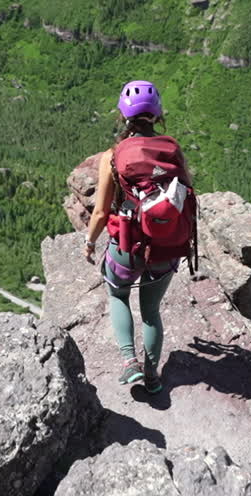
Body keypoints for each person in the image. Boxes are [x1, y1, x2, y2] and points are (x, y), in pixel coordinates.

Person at [83, 79, 193, 393]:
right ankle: (153, 376)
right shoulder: (172, 149)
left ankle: (130, 362)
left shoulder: (113, 156)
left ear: (123, 115)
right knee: (151, 312)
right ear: (157, 114)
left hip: (127, 244)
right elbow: (185, 193)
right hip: (166, 245)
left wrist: (90, 243)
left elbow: (100, 212)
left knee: (118, 295)